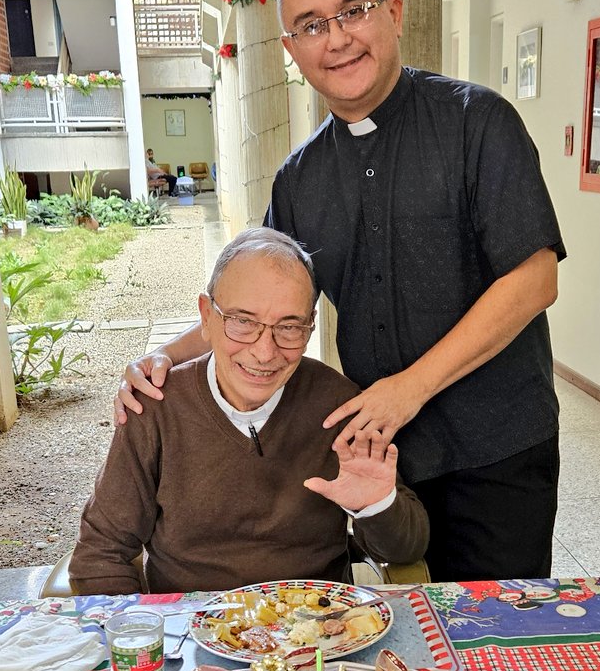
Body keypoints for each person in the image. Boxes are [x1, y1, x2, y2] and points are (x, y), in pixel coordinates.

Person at [115, 0, 565, 582]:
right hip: (382, 451)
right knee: (403, 630)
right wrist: (163, 358)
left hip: (496, 445)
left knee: (494, 640)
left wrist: (409, 388)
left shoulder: (476, 122)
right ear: (292, 51)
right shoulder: (300, 179)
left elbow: (534, 277)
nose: (337, 39)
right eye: (311, 25)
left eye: (354, 11)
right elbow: (253, 300)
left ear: (395, 14)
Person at [70, 228, 428, 595]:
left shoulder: (338, 403)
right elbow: (101, 555)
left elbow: (406, 549)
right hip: (188, 630)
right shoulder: (156, 407)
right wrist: (144, 637)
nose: (264, 352)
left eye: (289, 327)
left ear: (310, 327)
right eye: (242, 321)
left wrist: (376, 505)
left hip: (315, 631)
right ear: (207, 316)